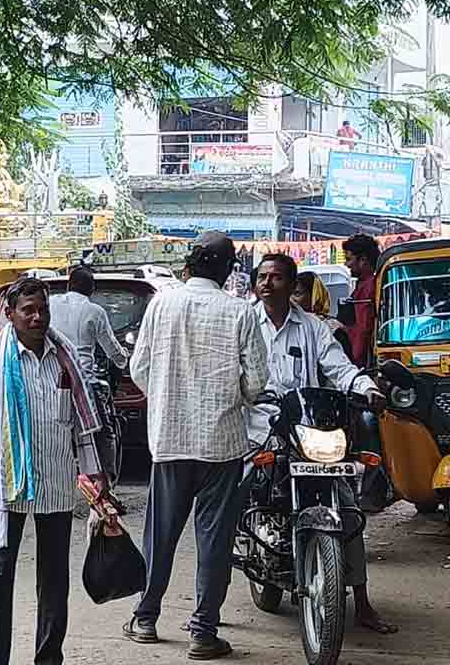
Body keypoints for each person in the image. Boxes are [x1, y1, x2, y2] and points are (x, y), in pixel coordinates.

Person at [0, 277, 114, 665]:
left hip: (55, 485)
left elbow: (80, 425)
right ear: (10, 315)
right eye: (29, 310)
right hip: (7, 488)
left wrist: (96, 478)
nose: (38, 317)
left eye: (43, 309)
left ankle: (48, 658)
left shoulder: (64, 357)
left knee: (55, 581)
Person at [122, 231, 269, 660]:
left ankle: (146, 618)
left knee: (161, 535)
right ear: (227, 270)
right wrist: (232, 396)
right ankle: (203, 631)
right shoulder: (241, 312)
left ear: (190, 264)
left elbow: (140, 368)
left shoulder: (162, 304)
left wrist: (168, 398)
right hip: (221, 445)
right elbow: (257, 382)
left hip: (169, 440)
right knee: (215, 539)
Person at [247, 254, 397, 635]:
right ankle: (213, 598)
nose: (267, 283)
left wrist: (366, 387)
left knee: (345, 504)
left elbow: (340, 368)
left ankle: (361, 602)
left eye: (276, 277)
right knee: (236, 491)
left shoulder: (312, 327)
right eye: (262, 277)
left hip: (308, 427)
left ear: (292, 283)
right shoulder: (244, 322)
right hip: (260, 426)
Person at [49, 267, 128, 382]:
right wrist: (123, 359)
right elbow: (111, 347)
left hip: (52, 376)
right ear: (92, 289)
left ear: (68, 285)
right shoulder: (95, 311)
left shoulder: (51, 302)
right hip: (82, 378)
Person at [343, 234, 380, 367]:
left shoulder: (369, 286)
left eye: (349, 259)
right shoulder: (364, 283)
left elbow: (363, 327)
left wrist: (354, 361)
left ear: (363, 259)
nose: (346, 264)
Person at [293, 271, 349, 352]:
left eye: (297, 294)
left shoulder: (332, 328)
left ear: (314, 295)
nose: (291, 299)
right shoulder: (291, 324)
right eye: (289, 294)